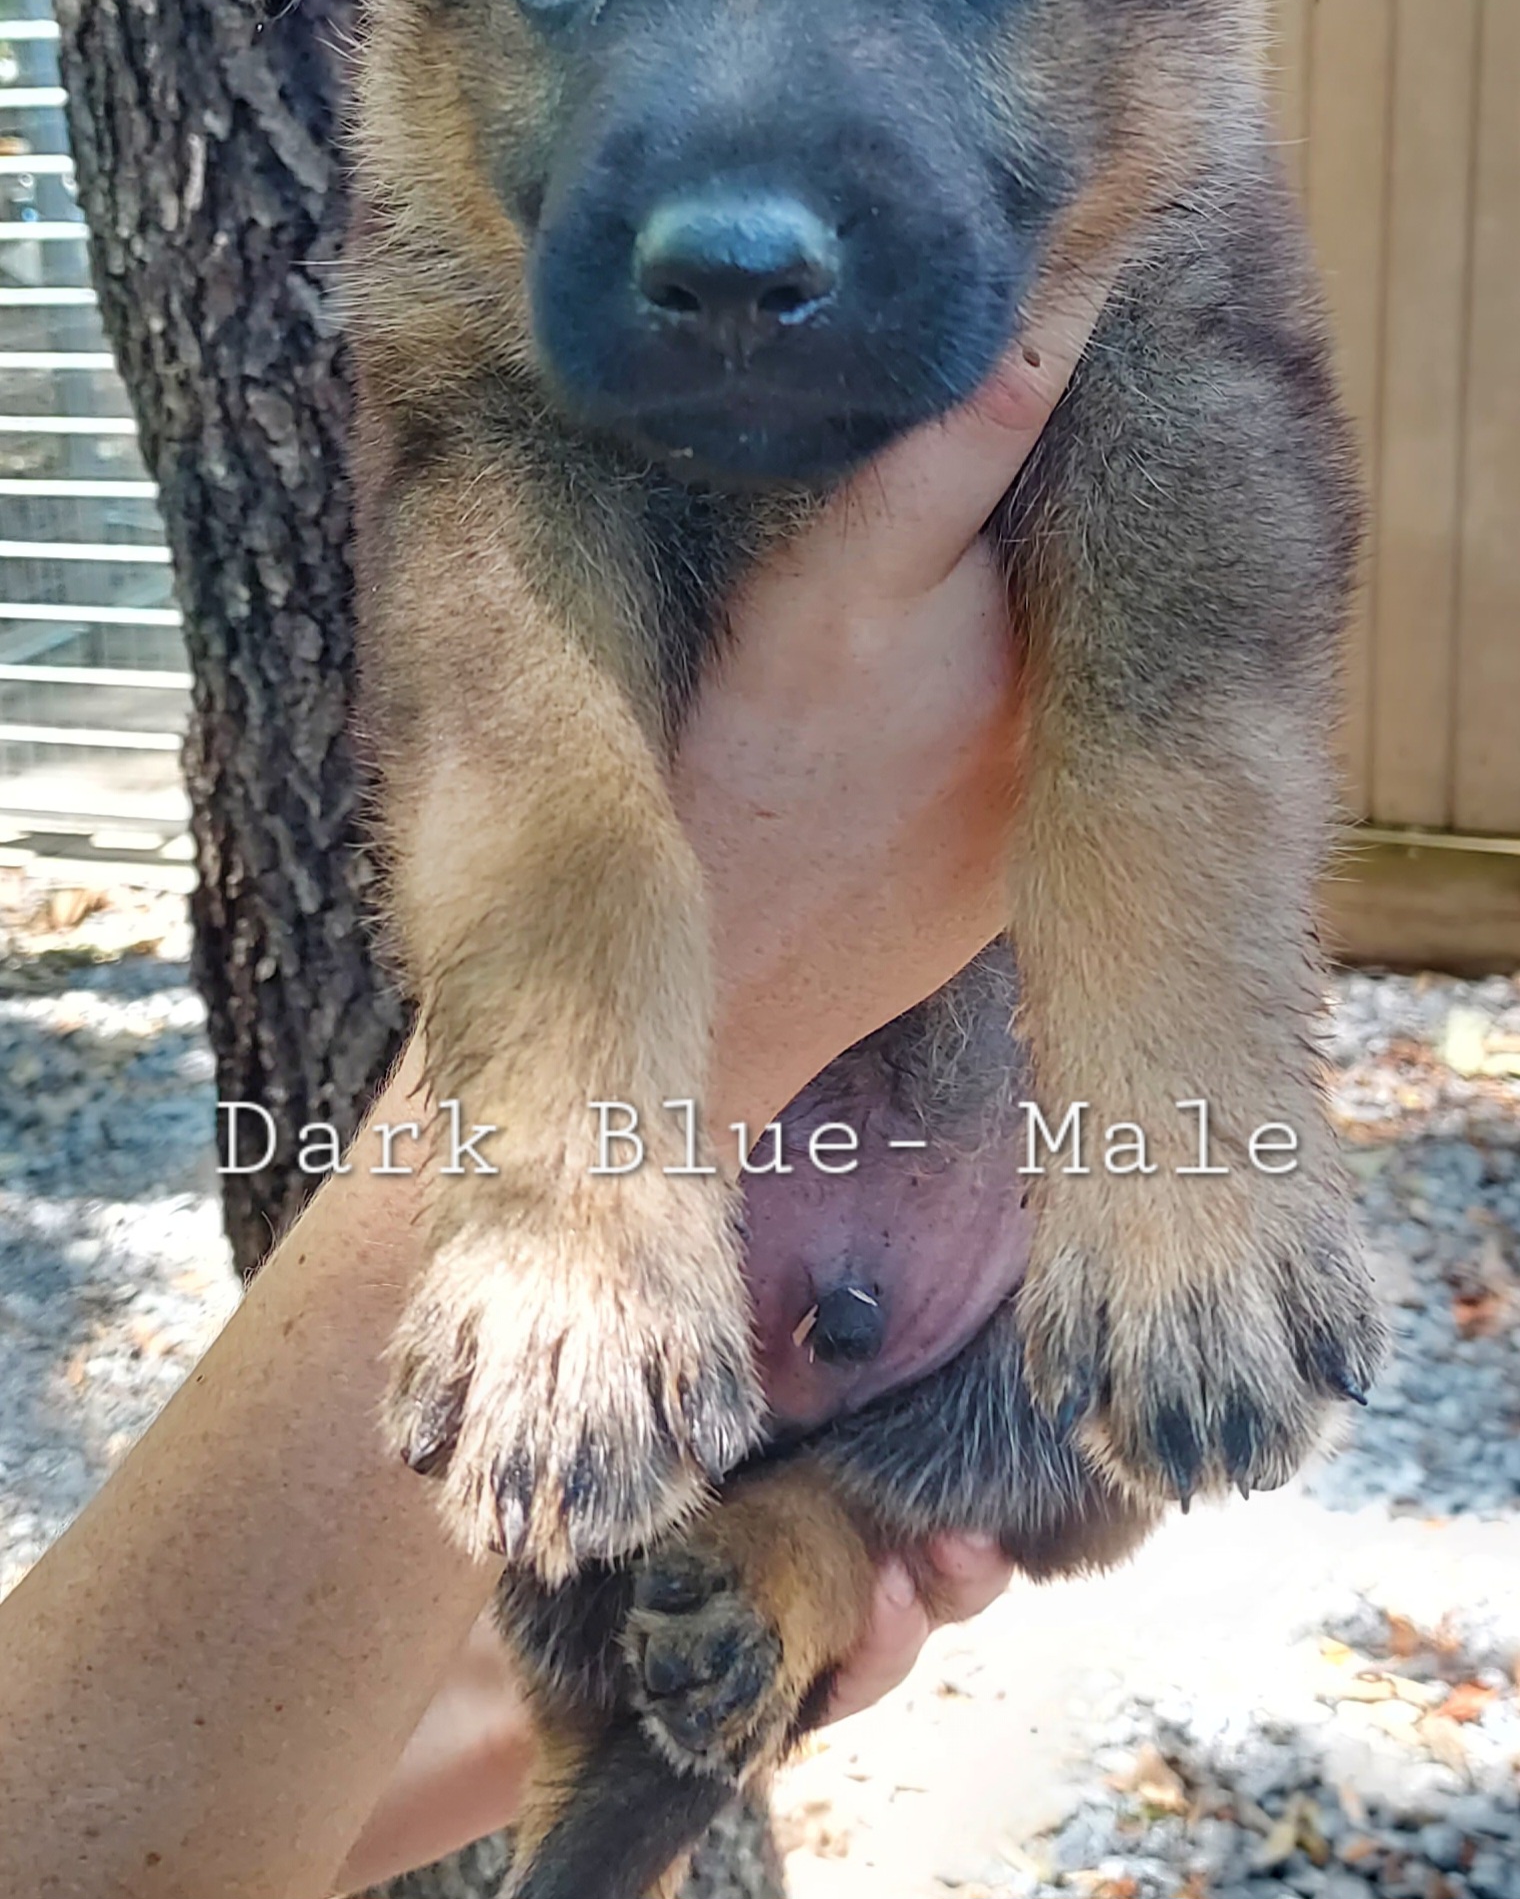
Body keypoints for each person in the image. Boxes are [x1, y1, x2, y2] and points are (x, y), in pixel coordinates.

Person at [0, 274, 1108, 1899]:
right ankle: (768, 1574)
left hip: (987, 1289)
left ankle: (785, 1562)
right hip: (833, 1209)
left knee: (1020, 1443)